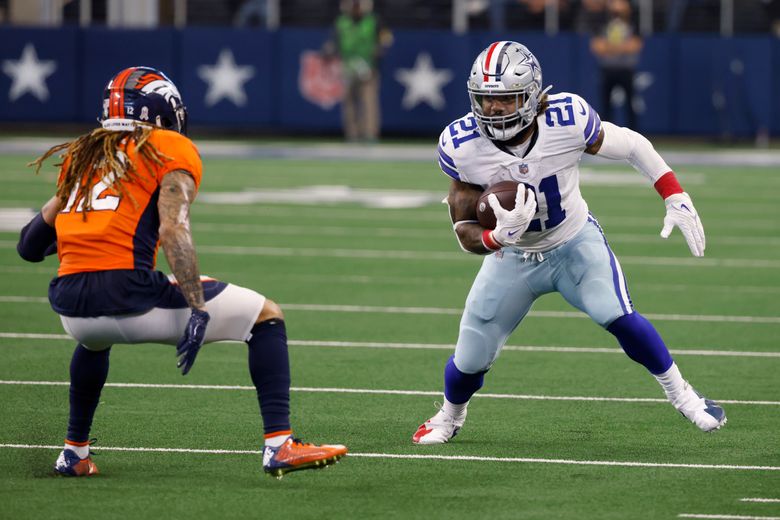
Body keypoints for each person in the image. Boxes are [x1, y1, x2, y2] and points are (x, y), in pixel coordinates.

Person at [16, 66, 347, 478]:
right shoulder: (169, 146)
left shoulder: (86, 154)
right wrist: (197, 306)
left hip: (71, 308)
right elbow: (174, 231)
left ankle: (74, 453)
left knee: (93, 342)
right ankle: (279, 445)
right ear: (161, 110)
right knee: (266, 315)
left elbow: (28, 247)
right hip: (127, 295)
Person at [413, 41, 725, 445]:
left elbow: (631, 145)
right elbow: (463, 228)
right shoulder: (462, 144)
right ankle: (449, 416)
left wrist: (673, 193)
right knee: (470, 355)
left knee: (619, 315)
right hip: (514, 256)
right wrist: (496, 237)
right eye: (486, 100)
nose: (493, 109)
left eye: (505, 99)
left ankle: (684, 396)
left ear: (530, 95)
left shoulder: (566, 118)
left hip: (573, 240)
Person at [324, 0, 392, 142]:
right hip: (348, 67)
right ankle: (352, 134)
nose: (356, 8)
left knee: (369, 101)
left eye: (358, 5)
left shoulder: (374, 20)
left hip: (368, 67)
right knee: (349, 103)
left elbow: (387, 38)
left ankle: (370, 134)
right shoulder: (341, 22)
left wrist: (380, 49)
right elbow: (334, 41)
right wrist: (330, 50)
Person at [590, 0, 643, 130]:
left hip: (626, 70)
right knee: (605, 106)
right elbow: (597, 47)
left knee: (630, 106)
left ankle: (634, 134)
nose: (617, 7)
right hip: (608, 70)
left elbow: (635, 46)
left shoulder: (633, 24)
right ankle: (605, 135)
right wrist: (621, 47)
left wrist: (610, 48)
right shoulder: (602, 24)